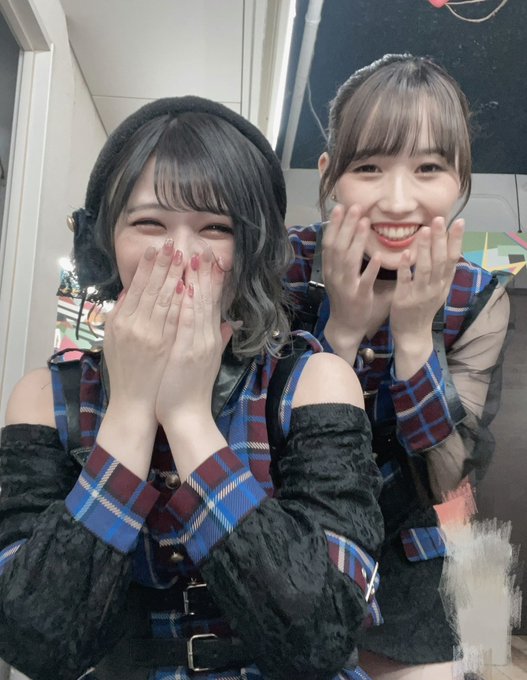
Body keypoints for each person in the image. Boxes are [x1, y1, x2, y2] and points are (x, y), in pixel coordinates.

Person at [0, 97, 384, 680]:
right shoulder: (44, 397)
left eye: (216, 228)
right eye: (148, 224)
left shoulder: (313, 382)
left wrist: (187, 418)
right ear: (105, 244)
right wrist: (131, 410)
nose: (180, 256)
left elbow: (320, 637)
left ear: (250, 249)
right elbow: (34, 642)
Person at [287, 54, 510, 678]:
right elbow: (263, 455)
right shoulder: (284, 266)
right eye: (369, 167)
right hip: (292, 539)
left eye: (429, 167)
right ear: (330, 176)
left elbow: (447, 482)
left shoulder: (475, 297)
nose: (398, 200)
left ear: (460, 179)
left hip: (411, 554)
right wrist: (340, 334)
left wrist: (415, 340)